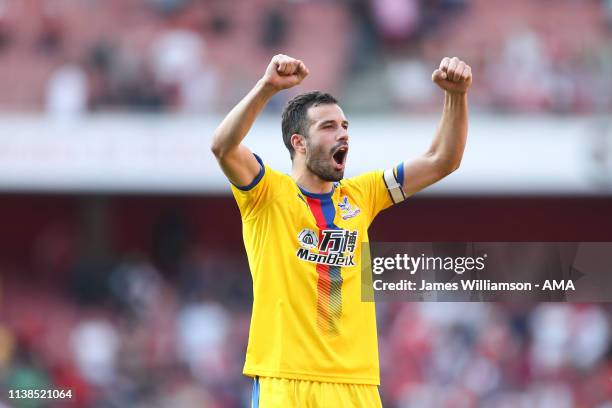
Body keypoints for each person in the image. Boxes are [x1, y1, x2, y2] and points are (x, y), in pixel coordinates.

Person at [210, 54, 471, 407]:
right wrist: (267, 87)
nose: (343, 133)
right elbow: (223, 146)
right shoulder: (266, 194)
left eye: (345, 125)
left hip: (355, 384)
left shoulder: (361, 195)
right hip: (286, 380)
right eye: (329, 126)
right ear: (299, 143)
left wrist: (456, 96)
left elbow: (443, 160)